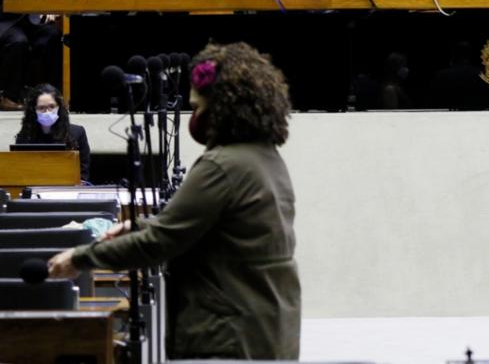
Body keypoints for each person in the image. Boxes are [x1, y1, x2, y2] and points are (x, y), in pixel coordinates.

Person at [47, 41, 301, 360]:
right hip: (266, 328)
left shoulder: (222, 165)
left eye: (197, 106)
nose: (194, 115)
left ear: (222, 106)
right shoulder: (266, 159)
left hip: (230, 337)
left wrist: (80, 258)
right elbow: (204, 227)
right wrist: (137, 225)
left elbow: (161, 241)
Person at [14, 83, 91, 183]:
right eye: (41, 108)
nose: (47, 112)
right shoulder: (24, 137)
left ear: (59, 107)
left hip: (67, 192)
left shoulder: (77, 133)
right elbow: (19, 173)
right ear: (34, 110)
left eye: (51, 106)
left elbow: (83, 174)